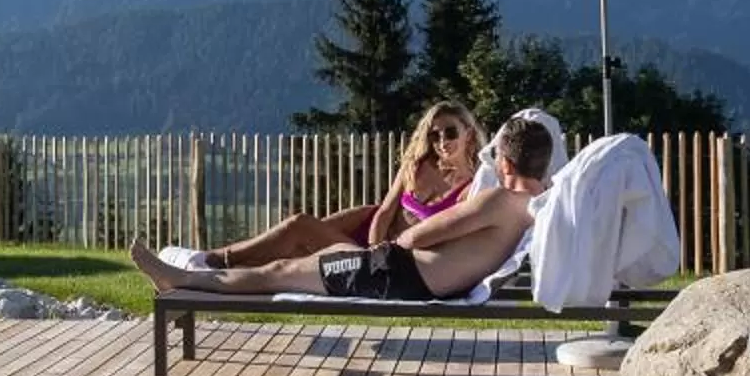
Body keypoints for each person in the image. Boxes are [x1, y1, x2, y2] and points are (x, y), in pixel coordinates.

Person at [135, 116, 554, 303]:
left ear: (503, 162)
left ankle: (183, 280)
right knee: (297, 261)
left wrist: (400, 241)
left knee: (279, 273)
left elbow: (420, 236)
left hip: (398, 273)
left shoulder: (501, 199)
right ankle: (196, 274)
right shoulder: (534, 205)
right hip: (405, 274)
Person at [194, 100, 485, 268]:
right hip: (370, 235)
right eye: (435, 135)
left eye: (450, 132)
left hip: (394, 259)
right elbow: (384, 212)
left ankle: (216, 262)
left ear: (469, 134)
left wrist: (383, 259)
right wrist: (374, 249)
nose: (442, 142)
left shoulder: (470, 188)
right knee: (294, 243)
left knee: (299, 228)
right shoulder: (417, 165)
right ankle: (217, 265)